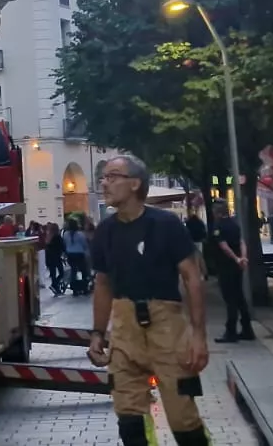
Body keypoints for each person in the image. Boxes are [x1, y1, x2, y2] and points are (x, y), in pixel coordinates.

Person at [87, 156, 211, 446]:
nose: (104, 183)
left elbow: (192, 277)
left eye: (112, 176)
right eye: (103, 177)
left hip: (167, 328)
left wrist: (198, 336)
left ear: (135, 183)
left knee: (183, 418)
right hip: (124, 330)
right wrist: (97, 333)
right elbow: (103, 284)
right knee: (129, 418)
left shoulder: (166, 224)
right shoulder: (105, 231)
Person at [208, 200, 254, 342]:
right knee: (239, 297)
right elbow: (241, 242)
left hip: (226, 266)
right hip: (237, 266)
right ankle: (247, 329)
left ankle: (231, 331)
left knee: (230, 299)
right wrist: (243, 258)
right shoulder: (234, 224)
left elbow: (223, 246)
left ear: (217, 211)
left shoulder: (218, 226)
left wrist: (235, 258)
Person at [62, 218, 90, 292]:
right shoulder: (80, 234)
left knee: (73, 271)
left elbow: (65, 243)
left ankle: (74, 288)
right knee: (83, 270)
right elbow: (84, 244)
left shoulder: (65, 234)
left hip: (70, 254)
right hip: (79, 254)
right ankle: (85, 287)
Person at [43, 221, 66, 293]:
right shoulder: (58, 237)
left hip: (49, 258)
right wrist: (65, 253)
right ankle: (54, 284)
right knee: (61, 273)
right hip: (56, 257)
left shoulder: (48, 237)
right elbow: (62, 246)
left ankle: (55, 286)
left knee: (53, 273)